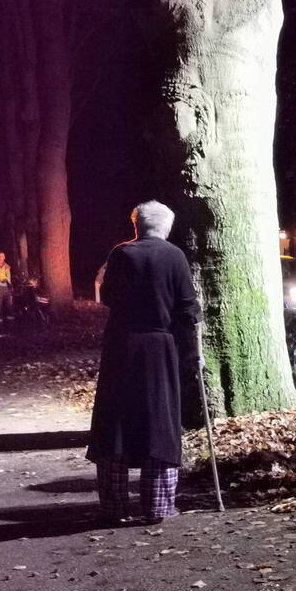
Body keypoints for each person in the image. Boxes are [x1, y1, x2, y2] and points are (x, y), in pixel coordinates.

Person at [87, 201, 201, 524]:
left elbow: (107, 296)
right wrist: (192, 352)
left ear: (137, 227)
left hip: (121, 346)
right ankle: (158, 505)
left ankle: (114, 504)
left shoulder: (121, 254)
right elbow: (186, 308)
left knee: (116, 422)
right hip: (159, 348)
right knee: (159, 421)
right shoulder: (174, 256)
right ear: (165, 228)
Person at [0, 252, 13, 324]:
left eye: (2, 256)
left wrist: (10, 286)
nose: (1, 257)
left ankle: (10, 318)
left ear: (4, 257)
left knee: (9, 303)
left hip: (6, 287)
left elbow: (8, 278)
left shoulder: (7, 266)